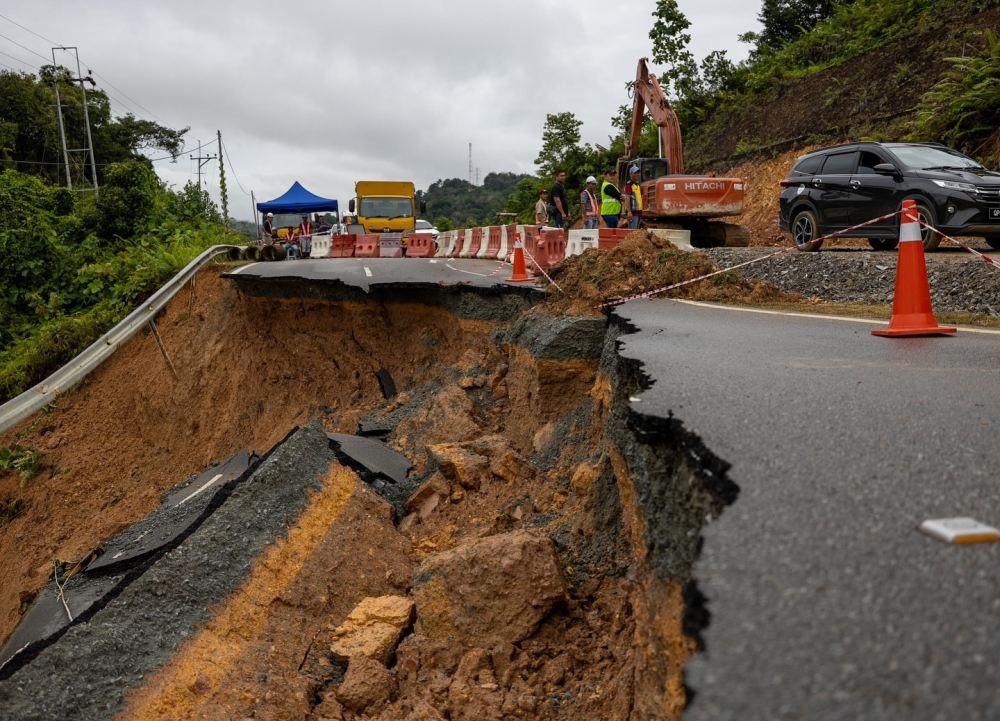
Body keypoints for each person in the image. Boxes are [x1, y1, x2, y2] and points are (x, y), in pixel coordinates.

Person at [623, 165, 644, 229]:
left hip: (638, 212)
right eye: (635, 173)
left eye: (638, 173)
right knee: (632, 232)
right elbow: (627, 198)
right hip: (633, 213)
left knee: (636, 232)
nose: (637, 174)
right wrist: (629, 212)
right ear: (630, 174)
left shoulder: (637, 185)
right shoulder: (629, 185)